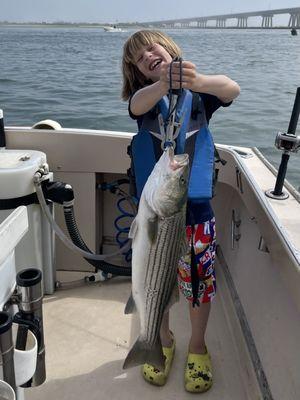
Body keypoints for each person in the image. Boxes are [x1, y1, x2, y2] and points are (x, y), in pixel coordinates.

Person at [121, 30, 240, 393]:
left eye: (151, 48)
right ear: (138, 72)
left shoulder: (200, 95)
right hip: (157, 215)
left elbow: (231, 88)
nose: (147, 56)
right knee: (155, 284)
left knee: (198, 288)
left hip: (196, 215)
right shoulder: (143, 98)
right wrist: (161, 84)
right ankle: (162, 340)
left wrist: (196, 79)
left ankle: (198, 346)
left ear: (169, 48)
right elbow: (136, 106)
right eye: (140, 58)